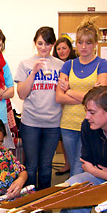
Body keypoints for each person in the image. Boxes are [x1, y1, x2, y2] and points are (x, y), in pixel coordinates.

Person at [55, 16, 107, 213]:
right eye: (80, 42)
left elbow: (101, 97)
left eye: (88, 42)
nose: (84, 47)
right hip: (68, 125)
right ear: (76, 43)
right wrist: (83, 96)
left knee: (81, 171)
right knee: (77, 172)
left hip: (93, 127)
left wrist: (71, 91)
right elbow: (59, 96)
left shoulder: (102, 64)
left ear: (95, 43)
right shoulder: (68, 64)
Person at [14, 27, 63, 192]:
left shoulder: (61, 65)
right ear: (35, 43)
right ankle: (30, 202)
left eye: (48, 44)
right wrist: (34, 72)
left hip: (53, 123)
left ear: (53, 45)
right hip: (31, 122)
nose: (43, 47)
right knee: (31, 165)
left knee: (46, 166)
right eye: (40, 43)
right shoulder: (25, 64)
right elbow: (21, 94)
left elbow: (63, 93)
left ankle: (43, 200)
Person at [52, 37, 77, 176]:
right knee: (63, 139)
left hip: (73, 108)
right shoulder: (54, 65)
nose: (61, 51)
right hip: (58, 107)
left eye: (64, 48)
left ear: (70, 49)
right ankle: (67, 164)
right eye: (58, 49)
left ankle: (75, 168)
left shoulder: (75, 64)